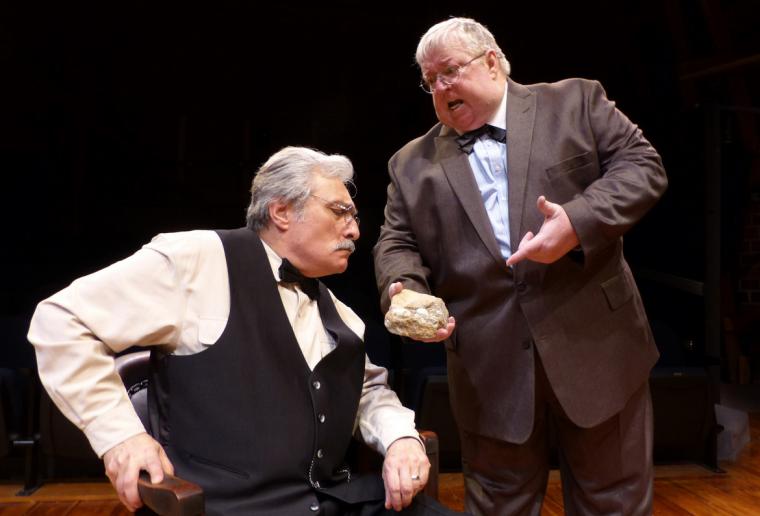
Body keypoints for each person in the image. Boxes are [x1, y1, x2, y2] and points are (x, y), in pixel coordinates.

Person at [29, 146, 458, 515]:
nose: (355, 230)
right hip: (226, 506)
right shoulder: (200, 260)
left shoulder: (342, 316)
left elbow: (367, 392)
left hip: (331, 500)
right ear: (282, 211)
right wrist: (121, 437)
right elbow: (61, 320)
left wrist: (401, 438)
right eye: (340, 211)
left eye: (356, 216)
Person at [373, 17, 668, 516]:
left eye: (449, 72)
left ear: (492, 60)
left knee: (613, 505)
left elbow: (643, 166)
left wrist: (576, 222)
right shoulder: (410, 164)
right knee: (497, 508)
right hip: (490, 371)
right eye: (430, 82)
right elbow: (396, 241)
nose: (440, 89)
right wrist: (405, 291)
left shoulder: (575, 101)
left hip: (598, 353)